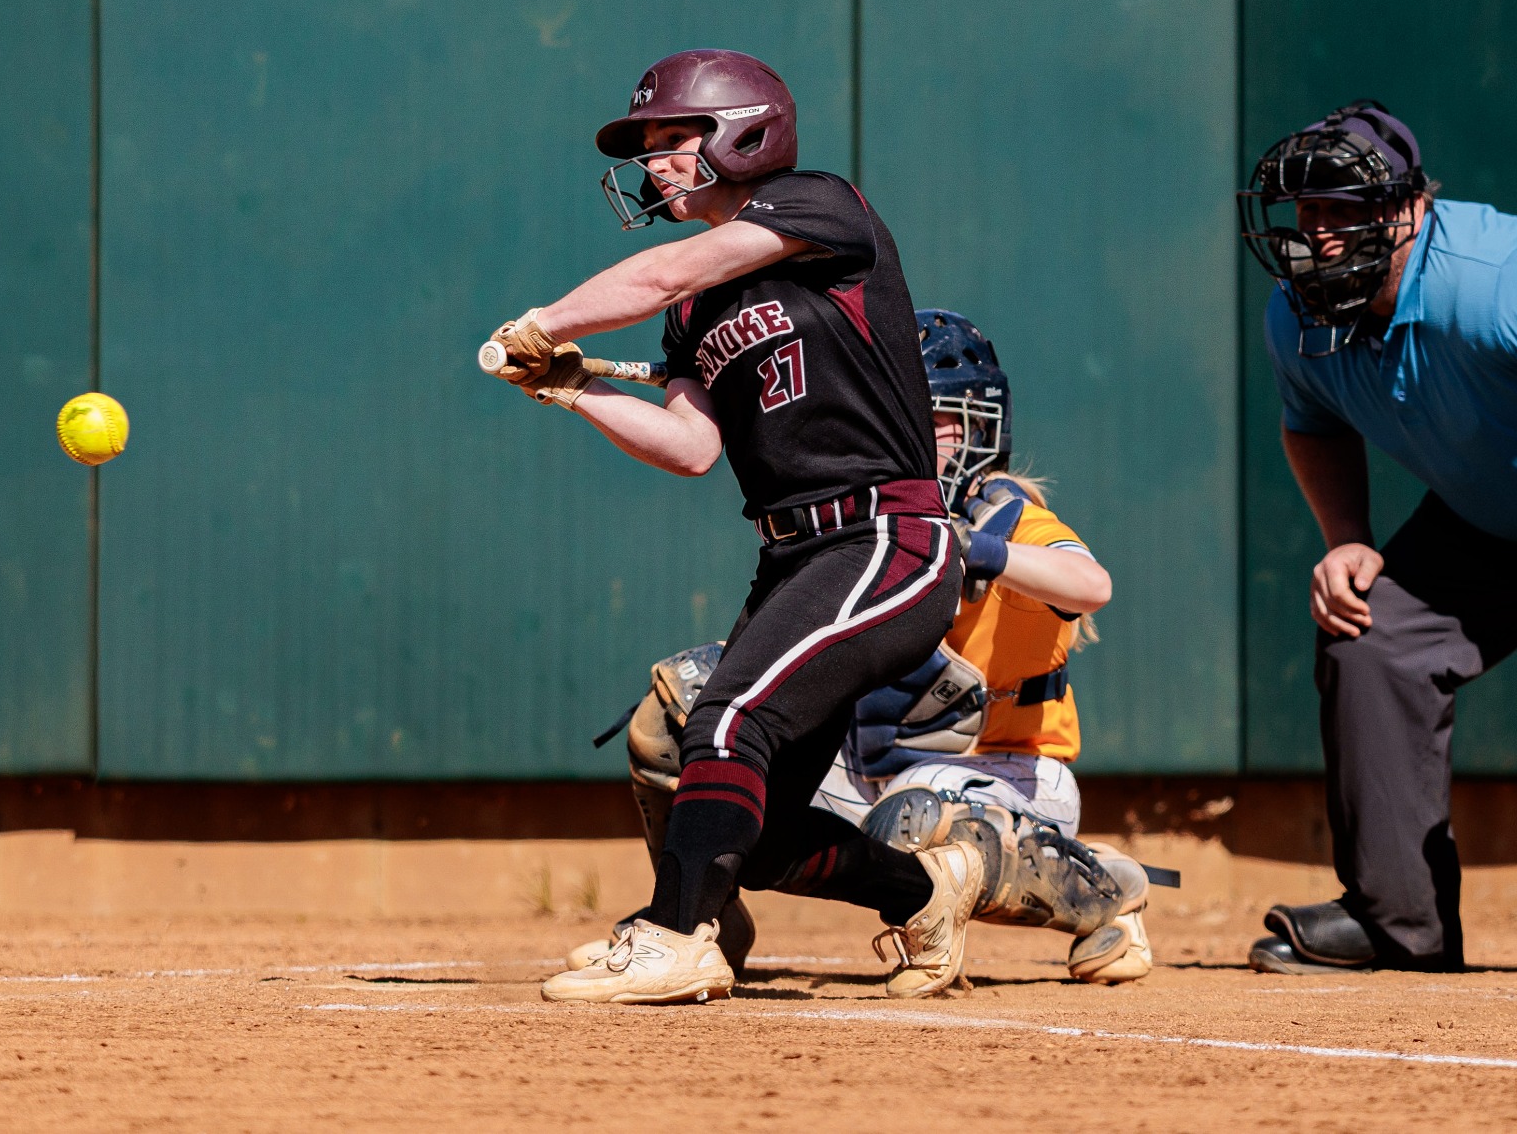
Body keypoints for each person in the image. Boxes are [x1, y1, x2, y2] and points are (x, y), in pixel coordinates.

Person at [486, 49, 971, 1004]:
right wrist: (572, 387)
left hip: (887, 538)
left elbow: (667, 270)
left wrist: (545, 320)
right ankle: (926, 895)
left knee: (727, 720)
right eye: (650, 146)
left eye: (676, 137)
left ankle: (675, 933)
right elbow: (689, 447)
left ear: (745, 130)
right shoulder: (696, 311)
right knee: (763, 832)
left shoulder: (821, 205)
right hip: (795, 554)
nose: (655, 162)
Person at [571, 309, 1152, 988]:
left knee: (916, 811)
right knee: (684, 710)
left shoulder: (1006, 513)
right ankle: (699, 911)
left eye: (935, 420)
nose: (915, 433)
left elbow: (1091, 585)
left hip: (1010, 774)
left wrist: (977, 549)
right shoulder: (868, 518)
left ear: (980, 428)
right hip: (872, 773)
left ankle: (1105, 892)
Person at [1239, 101, 1517, 973]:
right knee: (1369, 633)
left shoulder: (1505, 279)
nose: (1319, 231)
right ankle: (1399, 922)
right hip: (1489, 515)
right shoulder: (1297, 315)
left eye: (1345, 207)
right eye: (1308, 209)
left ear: (1412, 207)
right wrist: (1347, 535)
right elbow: (1313, 423)